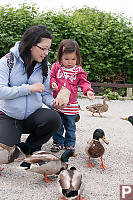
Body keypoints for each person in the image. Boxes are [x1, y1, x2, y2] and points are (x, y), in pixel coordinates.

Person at [0, 25, 62, 162]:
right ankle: (11, 141)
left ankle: (31, 147)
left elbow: (45, 93)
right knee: (5, 155)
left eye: (48, 49)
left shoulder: (45, 66)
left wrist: (53, 102)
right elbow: (1, 92)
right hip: (9, 115)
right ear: (30, 45)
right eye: (43, 48)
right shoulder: (6, 62)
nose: (46, 53)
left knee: (53, 118)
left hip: (32, 116)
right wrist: (28, 88)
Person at [50, 39, 95, 152]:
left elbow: (84, 82)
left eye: (73, 59)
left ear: (77, 58)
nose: (70, 62)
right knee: (57, 125)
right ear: (60, 57)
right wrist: (53, 83)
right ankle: (57, 142)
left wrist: (88, 91)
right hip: (58, 102)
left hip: (71, 105)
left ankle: (69, 144)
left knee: (70, 126)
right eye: (66, 59)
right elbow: (51, 77)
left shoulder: (78, 71)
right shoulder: (56, 67)